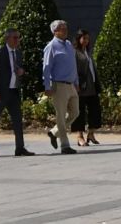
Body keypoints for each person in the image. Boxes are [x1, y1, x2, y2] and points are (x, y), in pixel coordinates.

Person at [42, 20, 80, 154]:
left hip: (71, 85)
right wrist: (47, 86)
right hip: (58, 85)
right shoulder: (51, 46)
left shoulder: (69, 44)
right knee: (61, 116)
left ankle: (54, 132)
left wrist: (76, 82)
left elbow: (73, 65)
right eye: (62, 29)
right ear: (55, 31)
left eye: (66, 28)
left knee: (75, 112)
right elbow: (46, 68)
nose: (65, 31)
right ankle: (65, 145)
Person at [72, 29, 102, 147]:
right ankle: (80, 136)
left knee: (95, 110)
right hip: (81, 86)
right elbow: (74, 69)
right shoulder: (75, 53)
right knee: (80, 112)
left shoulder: (87, 52)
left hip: (92, 86)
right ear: (79, 39)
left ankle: (91, 133)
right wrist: (76, 83)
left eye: (87, 38)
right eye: (83, 38)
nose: (86, 41)